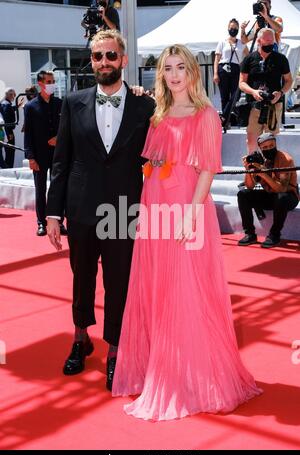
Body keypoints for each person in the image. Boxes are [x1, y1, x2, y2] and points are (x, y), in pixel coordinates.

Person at [112, 44, 262, 421]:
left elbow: (208, 170)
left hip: (185, 211)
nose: (174, 74)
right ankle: (163, 368)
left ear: (193, 72)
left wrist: (189, 215)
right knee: (158, 289)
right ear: (161, 74)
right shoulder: (159, 114)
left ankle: (193, 377)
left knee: (187, 291)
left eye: (181, 67)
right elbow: (153, 160)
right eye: (168, 68)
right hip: (155, 207)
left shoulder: (205, 114)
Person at [46, 30, 155, 391]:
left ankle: (115, 350)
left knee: (119, 284)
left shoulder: (145, 105)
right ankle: (80, 338)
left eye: (111, 56)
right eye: (97, 57)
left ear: (124, 60)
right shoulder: (72, 101)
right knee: (81, 280)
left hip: (124, 209)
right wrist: (51, 213)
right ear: (91, 61)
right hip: (80, 207)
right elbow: (60, 162)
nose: (104, 62)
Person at [237, 133, 299, 248]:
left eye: (271, 146)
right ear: (260, 148)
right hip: (270, 195)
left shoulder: (285, 159)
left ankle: (274, 235)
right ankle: (250, 234)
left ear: (275, 144)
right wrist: (248, 169)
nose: (268, 149)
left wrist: (263, 174)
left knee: (281, 197)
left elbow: (282, 189)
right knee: (243, 194)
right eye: (265, 147)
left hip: (289, 197)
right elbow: (249, 186)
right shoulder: (259, 160)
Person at [24, 71, 66, 236]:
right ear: (41, 84)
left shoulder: (60, 103)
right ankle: (41, 222)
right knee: (40, 189)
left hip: (58, 154)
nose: (52, 83)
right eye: (49, 81)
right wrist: (30, 157)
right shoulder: (30, 106)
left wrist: (59, 137)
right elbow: (28, 133)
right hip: (39, 156)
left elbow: (66, 127)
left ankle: (59, 222)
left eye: (53, 81)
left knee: (58, 189)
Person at [239, 28, 292, 153]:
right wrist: (253, 91)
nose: (270, 43)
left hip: (273, 106)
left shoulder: (281, 59)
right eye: (267, 40)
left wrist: (281, 93)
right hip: (254, 106)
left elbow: (289, 80)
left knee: (270, 142)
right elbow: (241, 83)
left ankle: (271, 170)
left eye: (272, 41)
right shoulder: (249, 59)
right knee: (251, 141)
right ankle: (253, 169)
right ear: (258, 40)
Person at [214, 18, 248, 126]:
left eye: (235, 28)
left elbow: (248, 56)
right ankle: (226, 121)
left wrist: (244, 67)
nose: (233, 29)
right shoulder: (222, 42)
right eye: (231, 28)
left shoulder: (241, 43)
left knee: (236, 95)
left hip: (236, 69)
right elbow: (216, 59)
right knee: (224, 97)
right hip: (223, 68)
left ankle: (223, 117)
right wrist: (215, 73)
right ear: (228, 28)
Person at [0, 88, 20, 168]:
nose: (14, 97)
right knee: (10, 151)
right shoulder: (7, 104)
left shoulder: (4, 103)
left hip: (6, 131)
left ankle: (6, 167)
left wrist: (16, 107)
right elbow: (7, 119)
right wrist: (10, 132)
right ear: (9, 95)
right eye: (13, 95)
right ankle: (8, 168)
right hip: (8, 132)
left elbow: (7, 111)